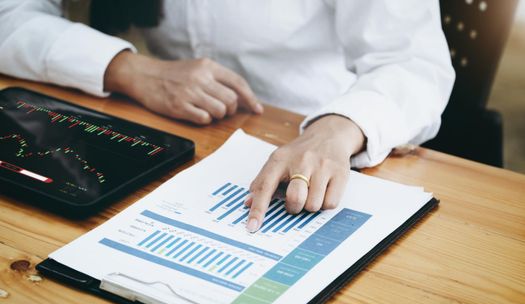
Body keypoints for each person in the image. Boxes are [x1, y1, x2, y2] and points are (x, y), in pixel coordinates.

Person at [0, 1, 454, 232]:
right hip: (147, 121)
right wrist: (127, 68)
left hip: (317, 132)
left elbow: (414, 63)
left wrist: (337, 128)